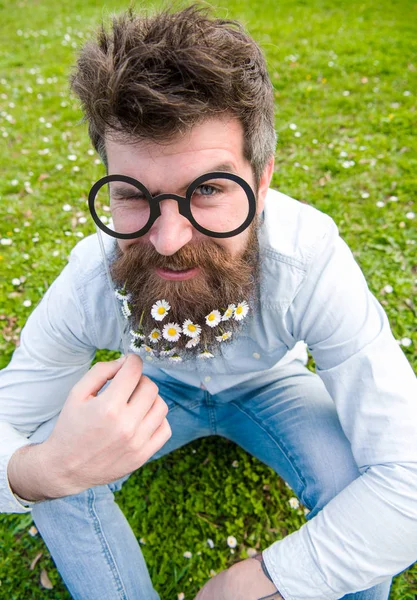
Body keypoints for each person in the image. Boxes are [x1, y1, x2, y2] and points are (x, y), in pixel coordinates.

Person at [1, 5, 416, 600]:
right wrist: (46, 471)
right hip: (153, 387)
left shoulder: (310, 260)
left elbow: (408, 482)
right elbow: (10, 421)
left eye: (211, 189)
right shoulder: (91, 276)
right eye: (131, 195)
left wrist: (266, 581)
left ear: (264, 180)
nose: (168, 241)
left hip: (273, 386)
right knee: (52, 461)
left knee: (358, 493)